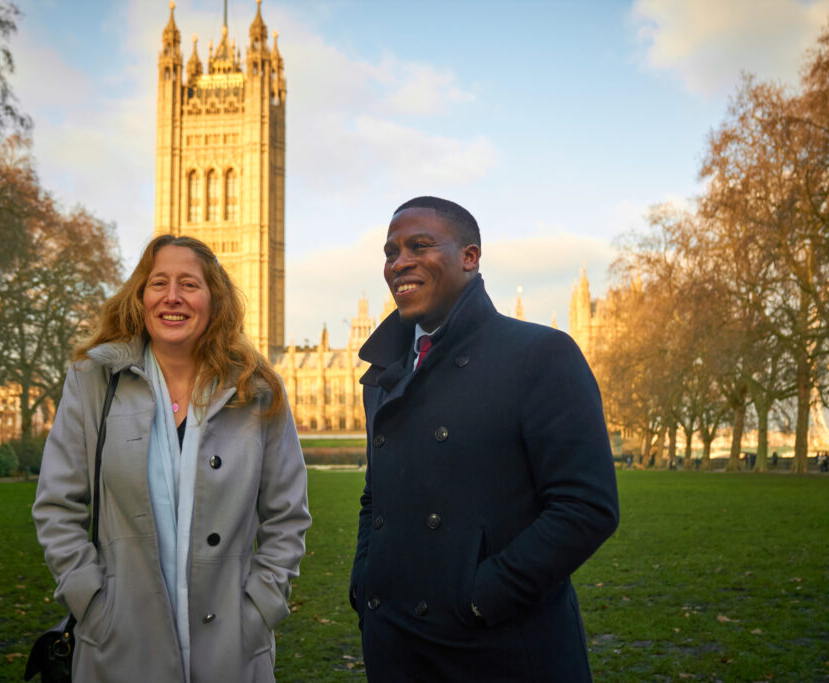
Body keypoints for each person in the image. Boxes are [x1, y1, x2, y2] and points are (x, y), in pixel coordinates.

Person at [348, 197, 619, 681]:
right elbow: (377, 496)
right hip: (396, 649)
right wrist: (365, 583)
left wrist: (478, 596)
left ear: (470, 257)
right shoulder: (383, 373)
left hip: (498, 650)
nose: (399, 262)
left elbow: (586, 507)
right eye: (391, 252)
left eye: (420, 245)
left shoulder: (540, 354)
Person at [33, 235, 310, 682]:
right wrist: (92, 602)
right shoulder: (94, 381)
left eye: (190, 284)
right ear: (140, 296)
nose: (173, 297)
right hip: (118, 641)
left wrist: (260, 606)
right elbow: (56, 506)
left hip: (231, 647)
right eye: (159, 282)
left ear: (215, 300)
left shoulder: (257, 390)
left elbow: (287, 516)